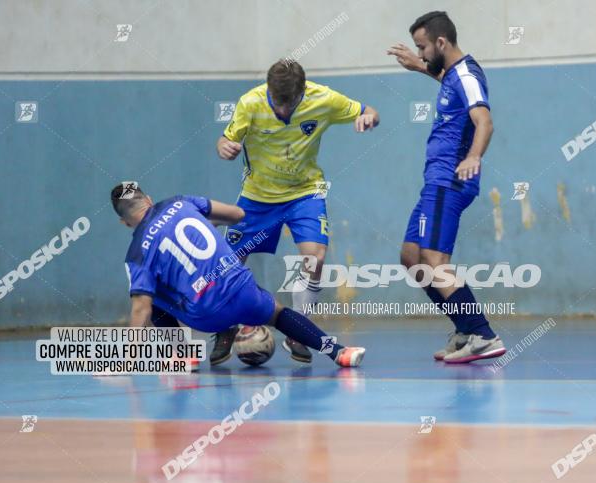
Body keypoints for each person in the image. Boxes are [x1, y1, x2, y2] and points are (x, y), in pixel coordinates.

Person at [214, 59, 379, 364]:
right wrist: (224, 146)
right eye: (278, 103)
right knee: (228, 265)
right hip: (257, 196)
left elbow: (370, 111)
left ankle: (297, 333)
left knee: (314, 258)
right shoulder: (250, 104)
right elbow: (226, 139)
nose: (283, 111)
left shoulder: (324, 99)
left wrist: (368, 119)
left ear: (303, 91)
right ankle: (225, 328)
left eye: (290, 103)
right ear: (269, 91)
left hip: (305, 192)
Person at [112, 183, 365, 368]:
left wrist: (126, 359)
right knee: (277, 313)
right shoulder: (181, 201)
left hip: (205, 314)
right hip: (243, 291)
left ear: (125, 223)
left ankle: (182, 354)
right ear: (149, 197)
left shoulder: (136, 254)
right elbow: (238, 215)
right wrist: (210, 224)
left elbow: (141, 311)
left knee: (148, 296)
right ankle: (339, 352)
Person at [387, 11, 505, 363]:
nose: (420, 53)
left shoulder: (467, 74)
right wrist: (419, 68)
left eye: (422, 47)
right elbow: (449, 83)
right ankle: (465, 329)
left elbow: (485, 121)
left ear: (441, 42)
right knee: (412, 257)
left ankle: (483, 334)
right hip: (434, 183)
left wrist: (473, 157)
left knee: (435, 261)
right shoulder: (453, 75)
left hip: (449, 181)